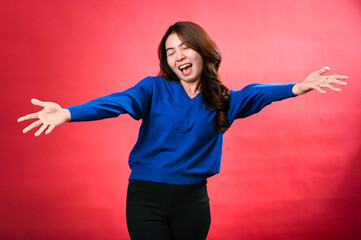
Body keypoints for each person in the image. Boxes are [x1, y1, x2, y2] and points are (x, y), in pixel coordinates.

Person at [18, 21, 347, 240]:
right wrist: (69, 113)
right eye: (169, 52)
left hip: (193, 201)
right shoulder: (152, 89)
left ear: (202, 52)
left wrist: (297, 87)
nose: (177, 56)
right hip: (146, 198)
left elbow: (256, 92)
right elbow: (116, 102)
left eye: (184, 48)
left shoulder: (222, 100)